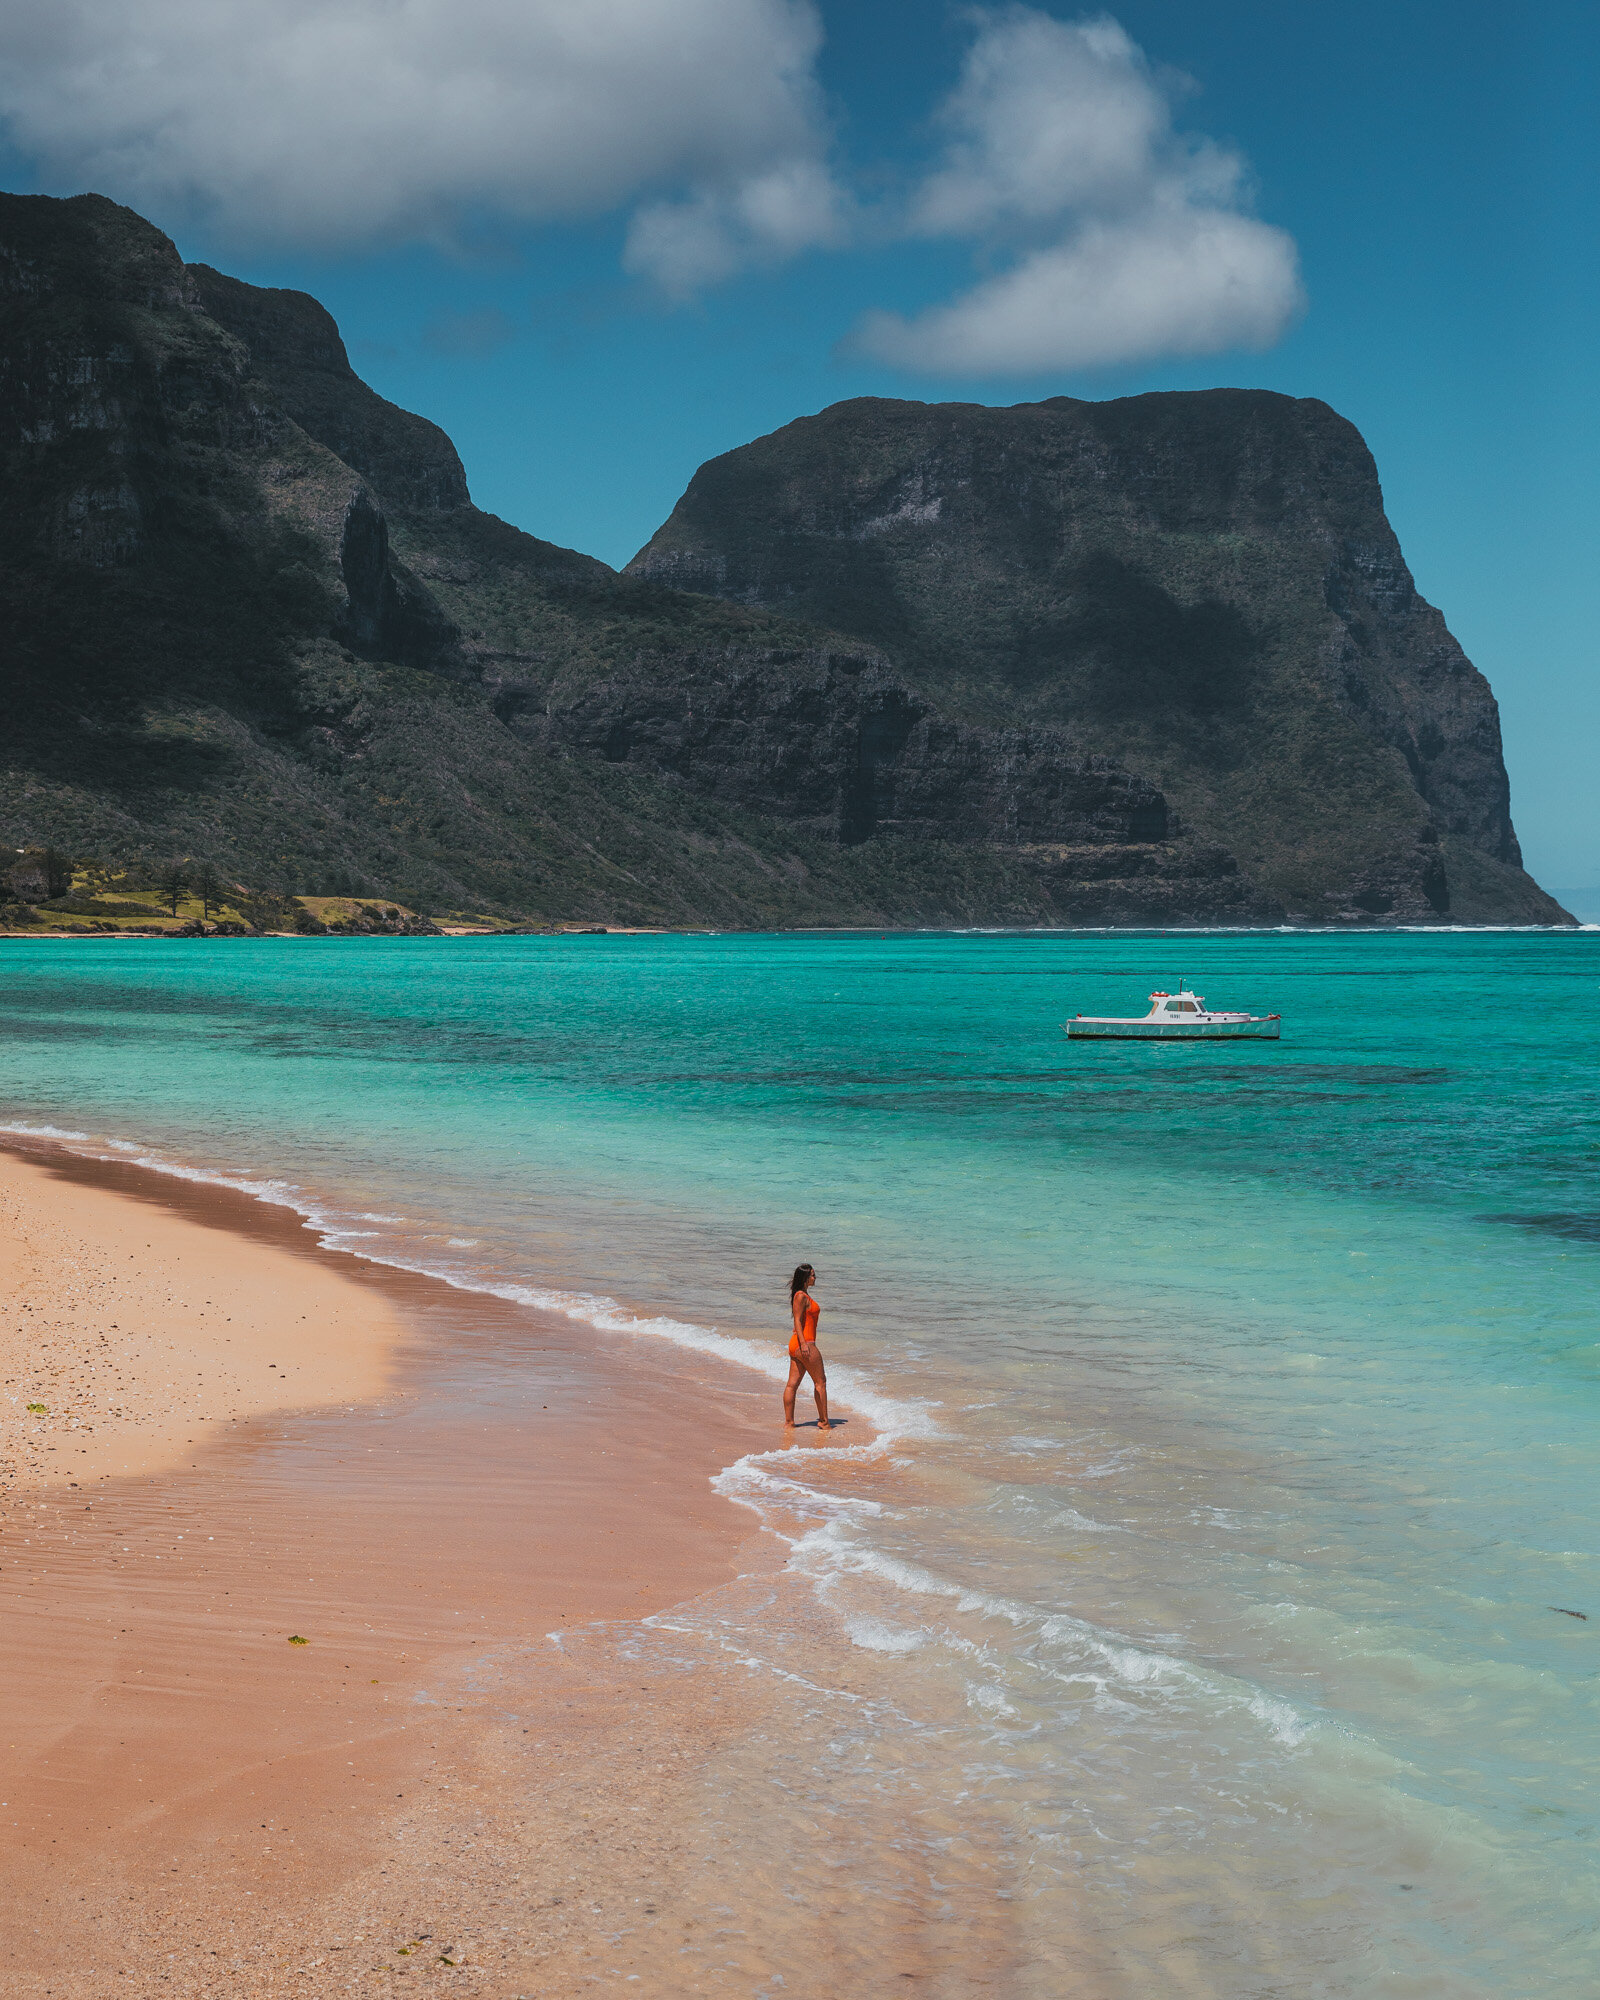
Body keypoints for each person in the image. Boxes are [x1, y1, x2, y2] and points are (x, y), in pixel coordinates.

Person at [784, 1262, 830, 1431]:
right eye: (812, 1275)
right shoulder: (801, 1296)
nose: (814, 1277)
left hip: (797, 1343)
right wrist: (804, 1344)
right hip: (805, 1343)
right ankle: (824, 1422)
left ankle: (789, 1423)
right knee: (821, 1382)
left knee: (792, 1384)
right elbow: (796, 1320)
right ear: (805, 1277)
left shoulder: (802, 1296)